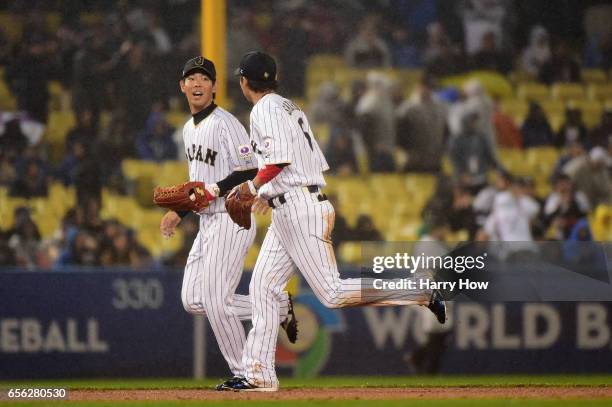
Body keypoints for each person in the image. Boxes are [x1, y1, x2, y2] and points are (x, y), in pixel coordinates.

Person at [226, 51, 446, 392]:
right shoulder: (287, 106)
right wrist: (268, 195)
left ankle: (419, 291)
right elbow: (299, 162)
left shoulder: (264, 109)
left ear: (244, 81)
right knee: (262, 287)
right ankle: (258, 374)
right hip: (293, 205)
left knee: (330, 293)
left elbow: (280, 161)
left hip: (301, 209)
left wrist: (254, 187)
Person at [159, 56, 297, 391]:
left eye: (203, 78)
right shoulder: (188, 129)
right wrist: (180, 210)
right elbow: (199, 187)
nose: (196, 83)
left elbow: (251, 168)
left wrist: (217, 189)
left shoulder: (226, 123)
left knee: (217, 301)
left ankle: (245, 372)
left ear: (215, 86)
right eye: (190, 78)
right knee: (193, 300)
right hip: (208, 221)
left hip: (231, 217)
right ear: (182, 86)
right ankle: (277, 305)